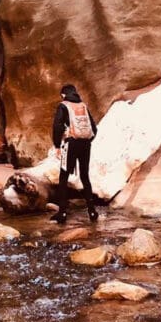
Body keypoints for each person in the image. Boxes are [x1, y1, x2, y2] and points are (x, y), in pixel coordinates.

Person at [50, 83, 98, 224]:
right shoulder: (83, 106)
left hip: (71, 144)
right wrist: (86, 140)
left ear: (63, 94)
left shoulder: (63, 105)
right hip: (85, 144)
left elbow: (57, 126)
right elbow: (94, 128)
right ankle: (92, 211)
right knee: (85, 176)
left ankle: (62, 213)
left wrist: (58, 145)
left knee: (63, 177)